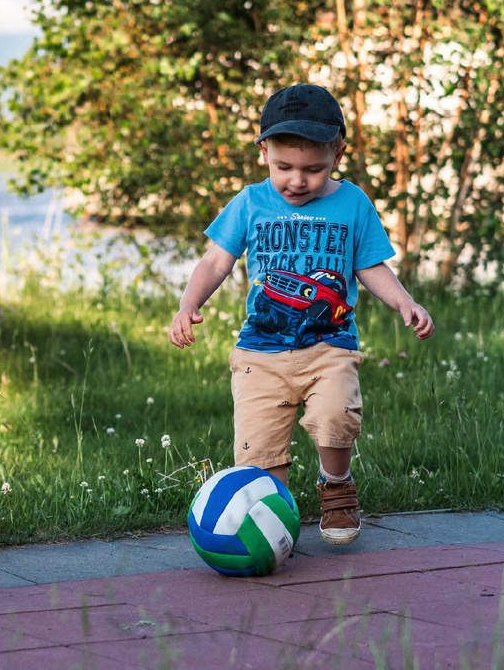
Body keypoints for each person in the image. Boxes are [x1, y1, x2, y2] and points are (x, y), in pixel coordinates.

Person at [168, 83, 434, 545]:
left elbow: (371, 266)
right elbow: (215, 261)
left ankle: (336, 486)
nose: (297, 180)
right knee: (259, 454)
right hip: (260, 351)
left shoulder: (352, 203)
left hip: (330, 346)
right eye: (284, 167)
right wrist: (189, 304)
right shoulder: (250, 202)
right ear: (264, 153)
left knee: (336, 416)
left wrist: (404, 301)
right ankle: (275, 521)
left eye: (313, 169)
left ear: (338, 154)